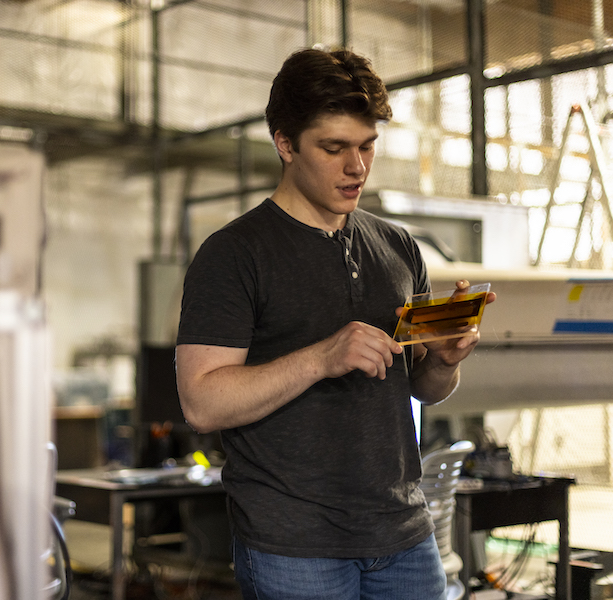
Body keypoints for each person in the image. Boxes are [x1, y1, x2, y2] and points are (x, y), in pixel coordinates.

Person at [174, 46, 495, 600]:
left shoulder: (397, 246)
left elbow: (425, 388)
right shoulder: (234, 254)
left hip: (403, 534)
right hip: (293, 545)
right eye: (334, 148)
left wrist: (442, 361)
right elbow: (202, 403)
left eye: (368, 146)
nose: (357, 167)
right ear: (285, 143)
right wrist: (323, 358)